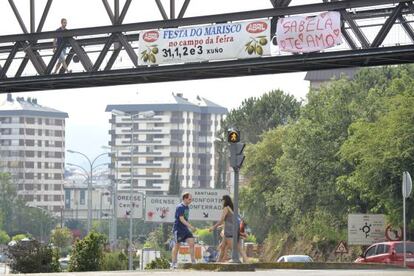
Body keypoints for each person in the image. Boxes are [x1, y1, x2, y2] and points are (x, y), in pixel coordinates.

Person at [209, 195, 248, 263]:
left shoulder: (226, 208)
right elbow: (230, 221)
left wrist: (213, 227)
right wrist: (220, 226)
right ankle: (218, 262)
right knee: (223, 247)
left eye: (222, 200)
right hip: (235, 230)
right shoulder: (233, 209)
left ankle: (244, 262)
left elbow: (221, 220)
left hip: (229, 232)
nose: (221, 202)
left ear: (225, 200)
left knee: (235, 248)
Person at [171, 192, 197, 269]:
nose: (191, 201)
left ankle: (193, 261)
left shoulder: (187, 207)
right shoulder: (180, 207)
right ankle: (174, 263)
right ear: (185, 199)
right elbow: (181, 219)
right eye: (189, 199)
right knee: (177, 246)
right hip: (178, 230)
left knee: (192, 243)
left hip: (185, 230)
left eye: (191, 199)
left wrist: (189, 227)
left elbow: (186, 219)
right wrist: (191, 227)